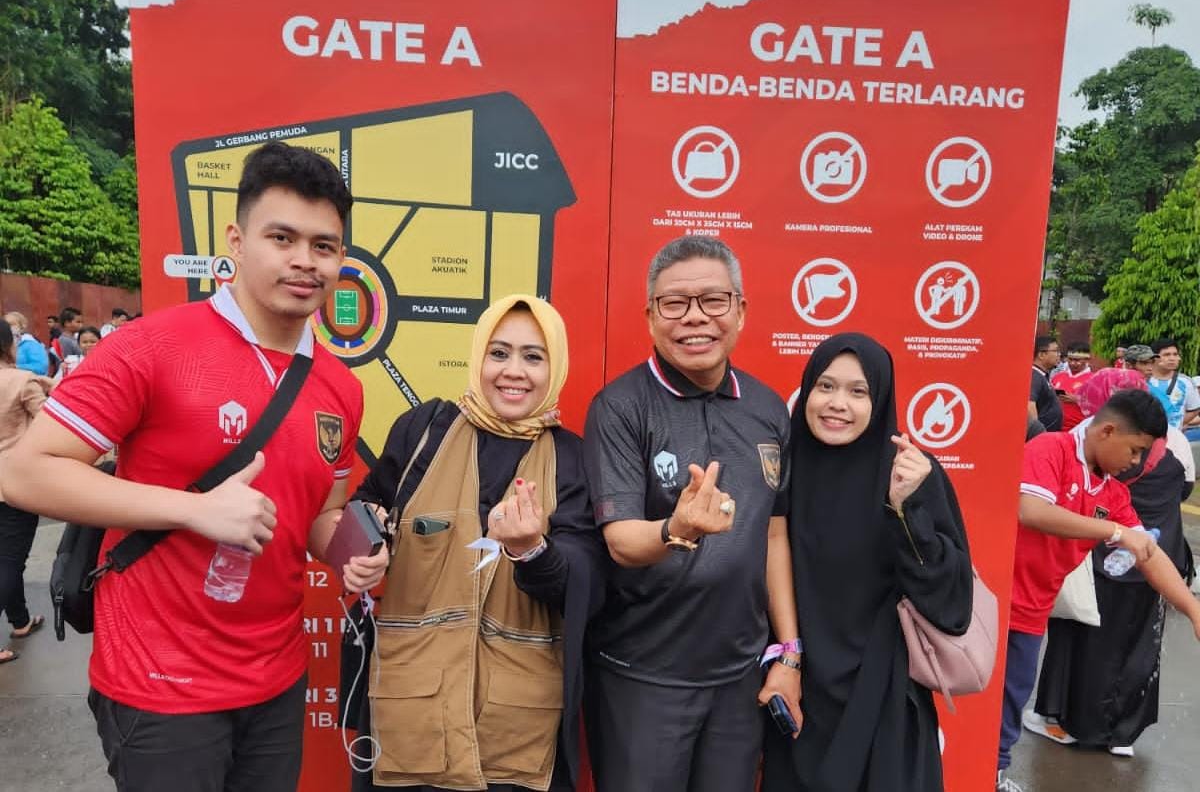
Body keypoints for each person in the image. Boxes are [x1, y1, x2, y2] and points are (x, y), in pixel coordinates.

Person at [0, 141, 382, 792]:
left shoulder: (341, 389)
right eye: (282, 237)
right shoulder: (153, 346)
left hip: (276, 678)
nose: (304, 261)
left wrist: (356, 553)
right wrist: (194, 509)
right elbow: (23, 473)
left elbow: (323, 515)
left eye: (325, 246)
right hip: (160, 683)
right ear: (236, 239)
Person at [348, 294, 605, 792]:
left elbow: (586, 588)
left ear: (556, 367)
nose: (513, 371)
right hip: (411, 718)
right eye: (499, 352)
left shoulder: (572, 459)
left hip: (516, 732)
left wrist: (533, 549)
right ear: (477, 358)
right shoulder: (423, 431)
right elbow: (363, 507)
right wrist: (362, 550)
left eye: (534, 357)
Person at [584, 235, 798, 792]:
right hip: (643, 678)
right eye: (674, 303)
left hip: (738, 680)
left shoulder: (769, 409)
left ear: (741, 311)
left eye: (713, 301)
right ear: (651, 316)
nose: (694, 318)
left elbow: (775, 537)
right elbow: (620, 542)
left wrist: (789, 655)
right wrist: (676, 530)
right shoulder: (620, 406)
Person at [761, 333, 973, 792]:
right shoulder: (780, 469)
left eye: (859, 392)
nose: (838, 404)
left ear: (881, 400)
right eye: (826, 386)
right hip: (794, 694)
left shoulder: (911, 473)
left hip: (883, 697)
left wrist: (906, 510)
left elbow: (952, 605)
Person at [995, 389, 1200, 792]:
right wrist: (1114, 531)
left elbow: (1148, 554)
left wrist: (1192, 609)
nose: (1136, 463)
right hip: (990, 602)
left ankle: (992, 773)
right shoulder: (1050, 449)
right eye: (1135, 450)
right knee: (971, 694)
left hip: (1033, 610)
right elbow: (1032, 511)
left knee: (1012, 699)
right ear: (1107, 430)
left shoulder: (1113, 493)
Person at [0, 319, 53, 665]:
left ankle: (19, 621)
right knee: (9, 561)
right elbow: (53, 424)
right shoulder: (20, 381)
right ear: (8, 345)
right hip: (14, 484)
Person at [1146, 339, 1200, 431]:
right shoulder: (1142, 381)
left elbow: (1194, 410)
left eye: (1175, 354)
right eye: (1166, 355)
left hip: (1175, 439)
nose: (1172, 358)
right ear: (1154, 358)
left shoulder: (1186, 382)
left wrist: (1177, 423)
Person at [1050, 342, 1093, 431]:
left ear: (1088, 360)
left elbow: (1102, 405)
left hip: (1079, 429)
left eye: (1077, 360)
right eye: (1070, 359)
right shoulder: (1058, 377)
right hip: (1055, 427)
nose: (1073, 363)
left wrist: (1078, 400)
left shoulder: (1095, 379)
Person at [1029, 336, 1062, 432]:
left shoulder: (1042, 375)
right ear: (1041, 355)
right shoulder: (1035, 376)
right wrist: (1037, 435)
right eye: (1055, 351)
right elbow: (1030, 406)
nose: (1058, 355)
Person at [3, 312, 49, 376]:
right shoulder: (7, 343)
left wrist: (17, 367)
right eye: (6, 325)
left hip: (30, 382)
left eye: (11, 324)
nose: (8, 328)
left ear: (21, 327)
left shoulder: (31, 343)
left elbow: (41, 366)